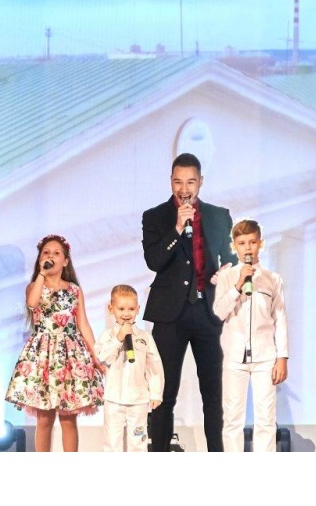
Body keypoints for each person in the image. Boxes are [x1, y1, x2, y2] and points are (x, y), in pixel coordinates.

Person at [142, 152, 236, 452]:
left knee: (213, 393)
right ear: (171, 182)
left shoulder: (218, 216)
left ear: (201, 182)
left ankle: (217, 456)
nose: (184, 189)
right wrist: (177, 229)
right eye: (178, 182)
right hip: (170, 316)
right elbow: (154, 261)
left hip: (208, 313)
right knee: (163, 392)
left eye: (190, 182)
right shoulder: (155, 217)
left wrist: (226, 271)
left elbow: (232, 258)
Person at [5, 234, 104, 452]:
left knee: (68, 418)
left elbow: (83, 324)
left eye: (56, 253)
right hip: (43, 356)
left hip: (70, 356)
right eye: (46, 253)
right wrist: (42, 274)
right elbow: (32, 303)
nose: (51, 256)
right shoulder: (34, 286)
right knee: (44, 418)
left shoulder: (74, 290)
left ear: (65, 261)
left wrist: (97, 357)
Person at [213, 219, 289, 452]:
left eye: (252, 242)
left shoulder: (272, 279)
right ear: (234, 246)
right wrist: (237, 286)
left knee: (266, 418)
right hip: (234, 357)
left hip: (265, 356)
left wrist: (282, 357)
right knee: (232, 419)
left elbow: (280, 319)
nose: (248, 248)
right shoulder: (227, 277)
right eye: (242, 243)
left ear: (261, 244)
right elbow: (219, 312)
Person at [94, 284, 164, 452]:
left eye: (131, 309)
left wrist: (156, 393)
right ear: (111, 309)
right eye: (121, 309)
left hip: (138, 400)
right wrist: (119, 338)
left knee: (138, 442)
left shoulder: (145, 337)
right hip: (114, 399)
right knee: (112, 443)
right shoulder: (108, 335)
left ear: (138, 309)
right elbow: (102, 357)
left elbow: (154, 366)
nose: (126, 314)